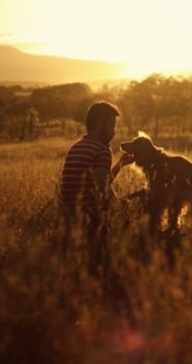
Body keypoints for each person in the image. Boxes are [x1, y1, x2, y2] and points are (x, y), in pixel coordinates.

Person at [58, 101, 133, 275]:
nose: (114, 132)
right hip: (91, 218)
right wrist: (121, 209)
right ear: (101, 125)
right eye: (112, 126)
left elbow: (92, 183)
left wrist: (120, 164)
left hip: (69, 216)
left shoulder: (75, 148)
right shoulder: (102, 150)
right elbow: (102, 188)